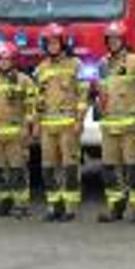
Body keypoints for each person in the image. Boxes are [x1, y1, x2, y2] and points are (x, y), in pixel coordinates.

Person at [94, 21, 135, 223]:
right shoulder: (102, 64)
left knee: (133, 167)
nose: (113, 42)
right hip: (109, 126)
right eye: (110, 39)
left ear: (124, 40)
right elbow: (100, 92)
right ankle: (115, 207)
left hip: (130, 126)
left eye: (116, 39)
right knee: (109, 168)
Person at [34, 23, 86, 223]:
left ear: (63, 44)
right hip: (48, 125)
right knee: (48, 166)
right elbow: (38, 98)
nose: (52, 46)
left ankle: (70, 206)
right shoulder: (41, 68)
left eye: (56, 43)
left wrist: (79, 120)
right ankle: (53, 204)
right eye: (48, 43)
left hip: (68, 124)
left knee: (69, 165)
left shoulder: (75, 65)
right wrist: (36, 122)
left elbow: (82, 94)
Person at [0, 42, 39, 219]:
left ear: (14, 60)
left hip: (16, 134)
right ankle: (2, 203)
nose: (3, 62)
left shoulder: (25, 81)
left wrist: (30, 129)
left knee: (17, 170)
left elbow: (32, 107)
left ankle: (21, 205)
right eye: (0, 59)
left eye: (6, 59)